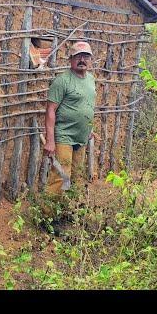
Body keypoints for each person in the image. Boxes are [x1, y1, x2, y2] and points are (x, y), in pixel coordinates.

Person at [43, 40, 97, 214]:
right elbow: (50, 110)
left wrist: (89, 128)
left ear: (90, 59)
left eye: (86, 56)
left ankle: (67, 211)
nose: (82, 60)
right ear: (71, 59)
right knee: (61, 176)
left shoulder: (90, 79)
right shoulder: (62, 81)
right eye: (78, 56)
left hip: (81, 138)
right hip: (64, 135)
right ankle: (48, 216)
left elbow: (87, 105)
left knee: (76, 176)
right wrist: (50, 141)